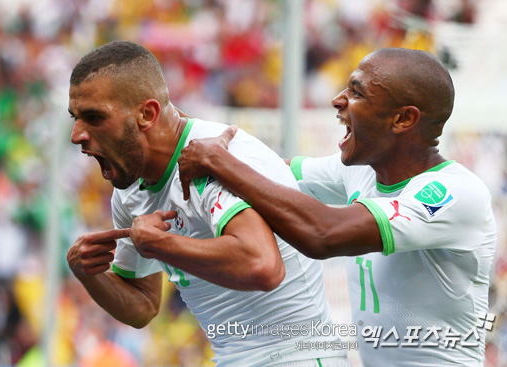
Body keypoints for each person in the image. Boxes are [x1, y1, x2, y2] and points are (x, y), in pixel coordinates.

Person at [177, 48, 497, 366]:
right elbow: (268, 173)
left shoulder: (454, 194)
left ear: (403, 119)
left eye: (357, 92)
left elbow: (324, 234)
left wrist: (220, 162)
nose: (338, 100)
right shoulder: (359, 171)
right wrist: (174, 126)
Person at [66, 40, 351, 367]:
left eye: (93, 117)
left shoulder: (212, 161)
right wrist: (89, 274)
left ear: (147, 114)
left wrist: (160, 244)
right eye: (75, 117)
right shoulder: (130, 193)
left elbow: (263, 267)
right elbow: (142, 305)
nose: (77, 135)